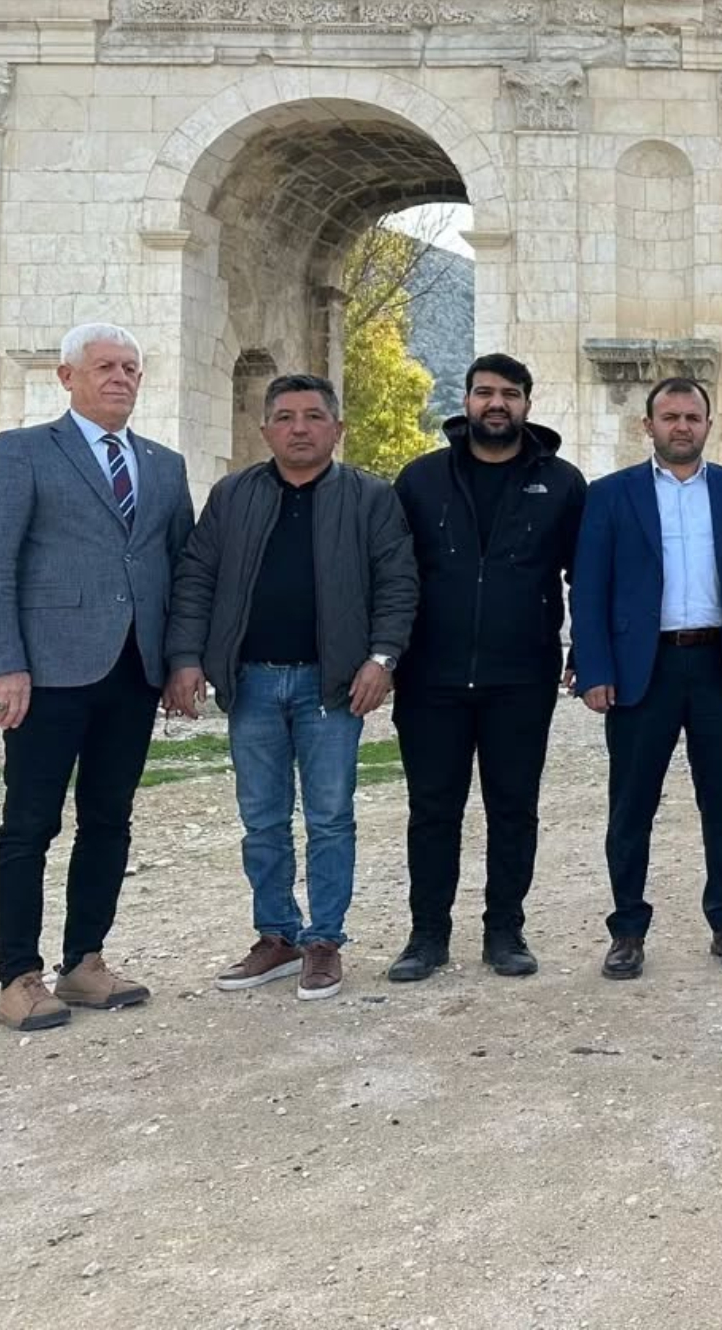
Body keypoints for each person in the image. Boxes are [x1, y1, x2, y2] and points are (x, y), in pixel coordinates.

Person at [0, 323, 195, 1031]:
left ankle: (85, 962)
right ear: (67, 377)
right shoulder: (23, 452)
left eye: (131, 368)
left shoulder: (164, 466)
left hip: (133, 671)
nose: (120, 378)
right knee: (30, 822)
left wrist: (180, 660)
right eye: (104, 367)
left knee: (109, 818)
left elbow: (181, 569)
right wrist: (3, 663)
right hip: (48, 672)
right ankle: (18, 978)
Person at [165, 374, 418, 1002]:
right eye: (284, 417)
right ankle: (276, 936)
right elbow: (196, 577)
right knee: (262, 820)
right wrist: (186, 657)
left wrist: (382, 658)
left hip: (331, 686)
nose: (298, 428)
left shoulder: (370, 497)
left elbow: (397, 582)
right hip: (251, 681)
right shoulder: (233, 496)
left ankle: (324, 939)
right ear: (265, 430)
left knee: (330, 817)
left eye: (312, 416)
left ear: (337, 428)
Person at [385, 354, 587, 983]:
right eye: (484, 392)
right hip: (431, 676)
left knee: (514, 808)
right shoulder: (419, 480)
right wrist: (384, 654)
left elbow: (584, 573)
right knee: (432, 810)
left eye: (509, 394)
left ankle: (505, 931)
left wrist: (584, 648)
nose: (496, 404)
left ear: (527, 403)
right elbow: (393, 574)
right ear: (466, 400)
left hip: (521, 676)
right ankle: (427, 936)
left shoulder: (562, 483)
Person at [572, 377, 722, 979]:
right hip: (642, 669)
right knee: (632, 805)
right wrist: (594, 668)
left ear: (708, 425)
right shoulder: (610, 495)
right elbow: (589, 588)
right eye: (669, 416)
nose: (681, 426)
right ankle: (627, 930)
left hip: (718, 666)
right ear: (648, 426)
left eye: (692, 417)